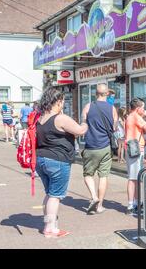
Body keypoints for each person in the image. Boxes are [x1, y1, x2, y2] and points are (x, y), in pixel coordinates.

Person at [36, 88, 88, 238]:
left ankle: (48, 223)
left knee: (49, 194)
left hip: (41, 159)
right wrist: (85, 121)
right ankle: (50, 228)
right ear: (58, 102)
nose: (63, 104)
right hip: (57, 160)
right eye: (63, 101)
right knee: (55, 195)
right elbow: (79, 131)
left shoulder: (41, 117)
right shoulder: (60, 118)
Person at [80, 83, 118, 215]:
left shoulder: (88, 106)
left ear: (95, 93)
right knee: (103, 176)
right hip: (105, 146)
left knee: (88, 174)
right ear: (107, 94)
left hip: (90, 146)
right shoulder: (112, 108)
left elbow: (83, 124)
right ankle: (100, 205)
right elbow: (114, 128)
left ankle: (94, 196)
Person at [125, 98, 146, 215]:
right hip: (135, 149)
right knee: (133, 178)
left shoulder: (130, 116)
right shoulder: (136, 116)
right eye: (143, 108)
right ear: (138, 109)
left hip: (133, 148)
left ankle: (135, 202)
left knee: (136, 177)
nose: (144, 110)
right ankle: (131, 205)